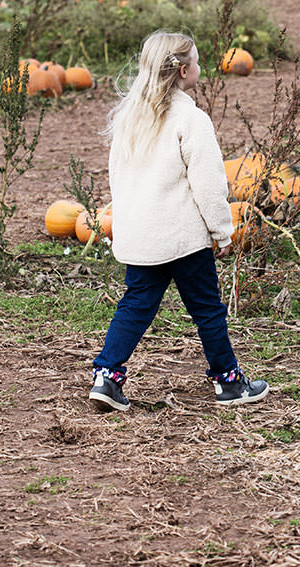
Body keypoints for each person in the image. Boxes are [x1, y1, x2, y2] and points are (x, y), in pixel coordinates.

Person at [89, 30, 269, 412]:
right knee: (207, 308)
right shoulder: (191, 118)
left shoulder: (129, 118)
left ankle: (107, 376)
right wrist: (223, 231)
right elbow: (208, 185)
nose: (201, 67)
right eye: (199, 61)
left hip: (141, 237)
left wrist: (126, 223)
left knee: (134, 305)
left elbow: (116, 179)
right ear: (186, 71)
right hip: (183, 238)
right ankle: (228, 382)